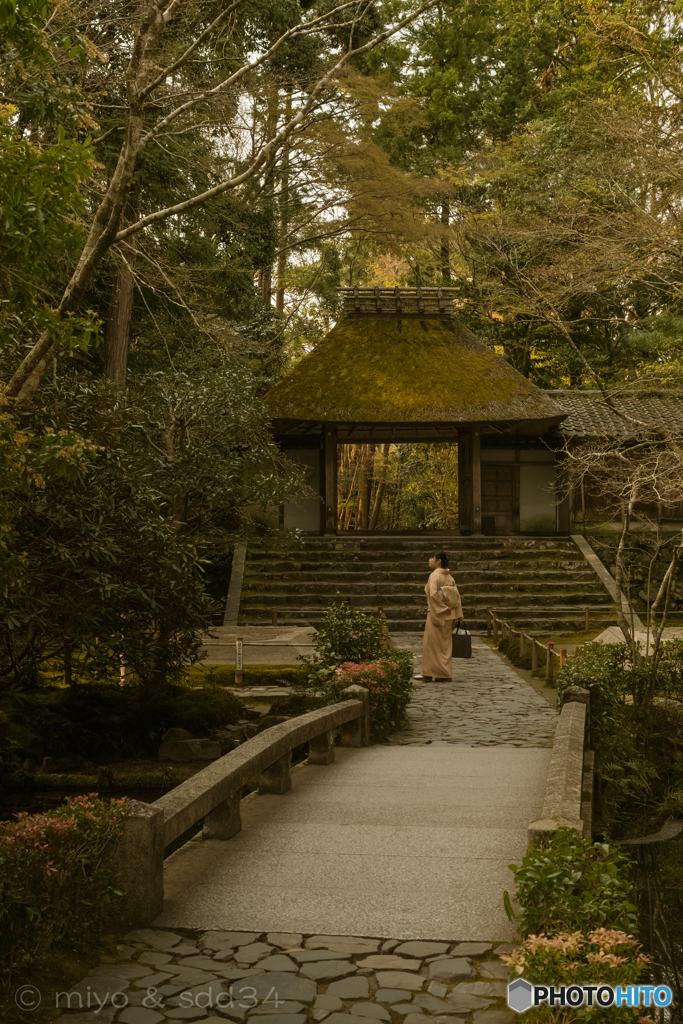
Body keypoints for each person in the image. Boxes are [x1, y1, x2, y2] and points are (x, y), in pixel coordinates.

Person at [415, 550, 464, 682]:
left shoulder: (434, 576)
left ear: (438, 561)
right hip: (449, 615)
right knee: (445, 645)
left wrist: (442, 608)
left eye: (431, 558)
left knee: (431, 644)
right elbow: (456, 596)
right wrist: (458, 614)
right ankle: (444, 673)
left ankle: (428, 673)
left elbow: (432, 594)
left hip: (437, 613)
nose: (429, 560)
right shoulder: (450, 577)